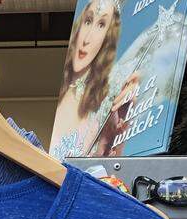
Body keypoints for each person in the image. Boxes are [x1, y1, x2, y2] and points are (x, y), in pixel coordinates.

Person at [50, 0, 130, 158]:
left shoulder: (106, 104)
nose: (87, 39)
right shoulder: (60, 92)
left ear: (107, 38)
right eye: (88, 21)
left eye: (101, 25)